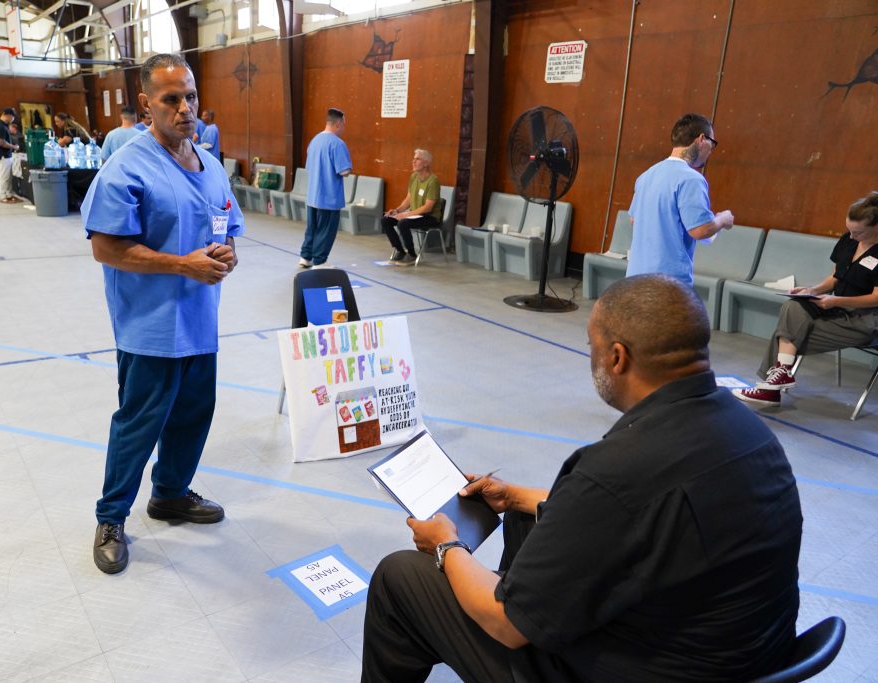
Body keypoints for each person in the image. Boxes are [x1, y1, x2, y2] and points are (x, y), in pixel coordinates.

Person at [362, 273, 802, 683]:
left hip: (642, 669)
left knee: (400, 575)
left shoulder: (617, 467)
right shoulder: (750, 433)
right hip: (738, 656)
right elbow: (640, 515)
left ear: (616, 357)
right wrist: (514, 497)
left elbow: (509, 625)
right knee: (528, 519)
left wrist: (446, 545)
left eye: (591, 345)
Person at [81, 53, 243, 575]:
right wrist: (180, 265)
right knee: (139, 423)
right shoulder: (127, 166)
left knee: (193, 417)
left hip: (200, 321)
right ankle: (111, 517)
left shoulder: (211, 165)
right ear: (147, 104)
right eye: (171, 99)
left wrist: (226, 254)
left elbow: (226, 226)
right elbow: (106, 247)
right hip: (150, 328)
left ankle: (170, 494)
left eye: (190, 96)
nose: (184, 108)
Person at [736, 192, 878, 407]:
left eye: (858, 232)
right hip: (836, 307)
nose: (851, 236)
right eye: (849, 230)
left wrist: (835, 301)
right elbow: (835, 277)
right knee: (794, 305)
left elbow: (876, 298)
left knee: (787, 335)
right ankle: (779, 376)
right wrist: (813, 289)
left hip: (865, 320)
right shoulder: (848, 241)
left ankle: (771, 387)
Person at [626, 113, 734, 285]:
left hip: (635, 277)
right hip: (668, 283)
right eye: (712, 143)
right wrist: (722, 219)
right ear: (701, 139)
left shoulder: (646, 176)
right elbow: (700, 230)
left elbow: (634, 219)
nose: (711, 151)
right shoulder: (691, 179)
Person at [299, 108, 352, 269]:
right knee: (326, 230)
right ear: (338, 123)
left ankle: (306, 256)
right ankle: (320, 260)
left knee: (312, 228)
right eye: (343, 124)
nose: (344, 128)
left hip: (313, 194)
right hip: (329, 197)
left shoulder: (314, 141)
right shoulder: (337, 143)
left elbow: (309, 167)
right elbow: (343, 170)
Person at [382, 148, 441, 265]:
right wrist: (397, 210)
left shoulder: (433, 181)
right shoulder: (413, 177)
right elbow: (408, 199)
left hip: (429, 217)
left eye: (417, 159)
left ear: (426, 163)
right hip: (414, 215)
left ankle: (412, 254)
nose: (413, 161)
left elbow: (428, 207)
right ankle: (400, 251)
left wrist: (406, 215)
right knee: (386, 220)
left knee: (403, 223)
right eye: (413, 159)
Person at [0, 108, 21, 204]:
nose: (13, 119)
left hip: (7, 154)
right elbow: (1, 142)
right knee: (4, 177)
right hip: (3, 154)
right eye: (12, 117)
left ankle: (9, 195)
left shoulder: (4, 125)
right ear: (7, 115)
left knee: (8, 176)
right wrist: (13, 146)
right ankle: (3, 196)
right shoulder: (0, 126)